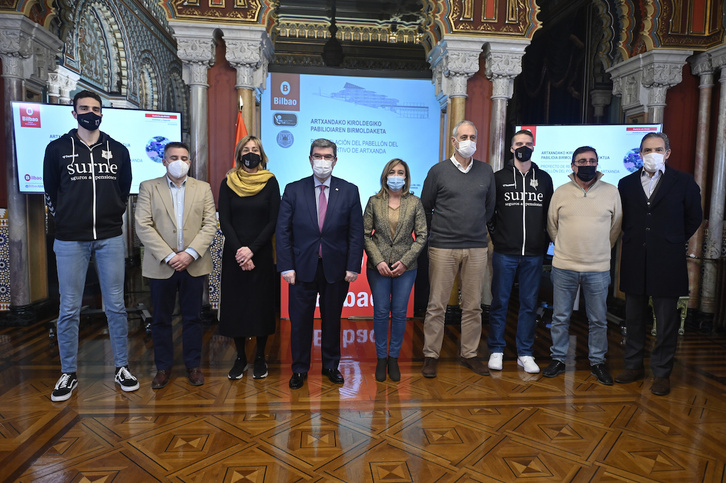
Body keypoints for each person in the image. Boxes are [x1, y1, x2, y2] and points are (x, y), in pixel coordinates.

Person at [43, 90, 138, 402]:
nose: (90, 113)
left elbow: (124, 191)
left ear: (102, 113)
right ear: (74, 113)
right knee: (69, 308)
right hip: (70, 240)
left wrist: (111, 216)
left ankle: (122, 366)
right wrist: (68, 222)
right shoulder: (57, 149)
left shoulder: (118, 150)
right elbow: (51, 192)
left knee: (116, 306)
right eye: (84, 108)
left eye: (95, 109)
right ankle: (68, 372)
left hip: (109, 238)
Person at [615, 132, 702, 396]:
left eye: (658, 149)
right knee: (633, 317)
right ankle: (633, 366)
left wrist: (671, 239)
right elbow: (623, 219)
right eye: (647, 149)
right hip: (634, 259)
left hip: (668, 260)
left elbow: (694, 217)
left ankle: (661, 373)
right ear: (640, 154)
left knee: (666, 322)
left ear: (667, 153)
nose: (652, 153)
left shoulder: (684, 182)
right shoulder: (626, 183)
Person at [276, 138, 364, 390]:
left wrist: (353, 266)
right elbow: (283, 231)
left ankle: (330, 366)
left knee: (332, 320)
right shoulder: (293, 189)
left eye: (327, 157)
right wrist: (286, 266)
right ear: (310, 158)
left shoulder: (349, 190)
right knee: (300, 321)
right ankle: (300, 369)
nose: (322, 161)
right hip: (301, 268)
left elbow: (355, 232)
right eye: (318, 156)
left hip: (336, 268)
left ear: (335, 161)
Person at [135, 142, 217, 388]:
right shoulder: (149, 187)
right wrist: (170, 256)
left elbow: (210, 225)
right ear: (164, 161)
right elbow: (143, 225)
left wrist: (190, 253)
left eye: (184, 158)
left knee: (193, 318)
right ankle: (163, 368)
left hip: (194, 264)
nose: (179, 162)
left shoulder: (203, 188)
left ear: (190, 162)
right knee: (161, 319)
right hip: (162, 265)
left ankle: (193, 365)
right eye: (173, 157)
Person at [420, 120, 496, 378]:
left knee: (473, 305)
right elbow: (425, 206)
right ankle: (431, 355)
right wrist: (438, 232)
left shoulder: (486, 171)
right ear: (453, 141)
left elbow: (489, 208)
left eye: (473, 136)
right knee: (436, 305)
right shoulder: (438, 171)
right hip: (443, 246)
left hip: (476, 247)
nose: (469, 141)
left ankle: (469, 354)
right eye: (463, 136)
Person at [543, 146, 622, 384]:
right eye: (582, 161)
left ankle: (597, 361)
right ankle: (558, 358)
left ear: (597, 164)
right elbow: (551, 225)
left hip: (598, 268)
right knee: (560, 316)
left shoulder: (612, 192)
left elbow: (615, 227)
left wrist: (598, 250)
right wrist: (565, 247)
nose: (587, 165)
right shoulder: (561, 192)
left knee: (598, 318)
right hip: (564, 265)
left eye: (592, 161)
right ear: (573, 165)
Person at [487, 130, 553, 374]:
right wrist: (499, 238)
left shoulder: (544, 178)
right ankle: (496, 349)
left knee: (529, 303)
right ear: (511, 148)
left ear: (533, 147)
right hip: (505, 253)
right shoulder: (499, 178)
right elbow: (490, 214)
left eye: (528, 143)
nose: (523, 147)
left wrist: (543, 241)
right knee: (500, 302)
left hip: (534, 254)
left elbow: (549, 215)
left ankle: (525, 352)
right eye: (519, 144)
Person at [218, 136, 280, 380]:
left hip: (261, 253)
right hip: (234, 254)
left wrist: (252, 250)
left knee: (261, 306)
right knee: (237, 306)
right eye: (246, 149)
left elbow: (273, 220)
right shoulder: (228, 182)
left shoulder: (270, 182)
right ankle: (241, 357)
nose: (251, 153)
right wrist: (240, 251)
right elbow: (225, 220)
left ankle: (261, 357)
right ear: (239, 153)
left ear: (262, 155)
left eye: (255, 150)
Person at [364, 159, 428, 382]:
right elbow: (365, 234)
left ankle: (393, 358)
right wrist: (379, 260)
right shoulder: (374, 201)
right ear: (385, 175)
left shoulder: (415, 202)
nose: (396, 176)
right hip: (377, 266)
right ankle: (381, 358)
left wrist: (406, 261)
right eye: (392, 172)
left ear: (407, 177)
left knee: (400, 313)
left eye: (401, 172)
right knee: (381, 312)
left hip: (406, 267)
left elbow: (422, 236)